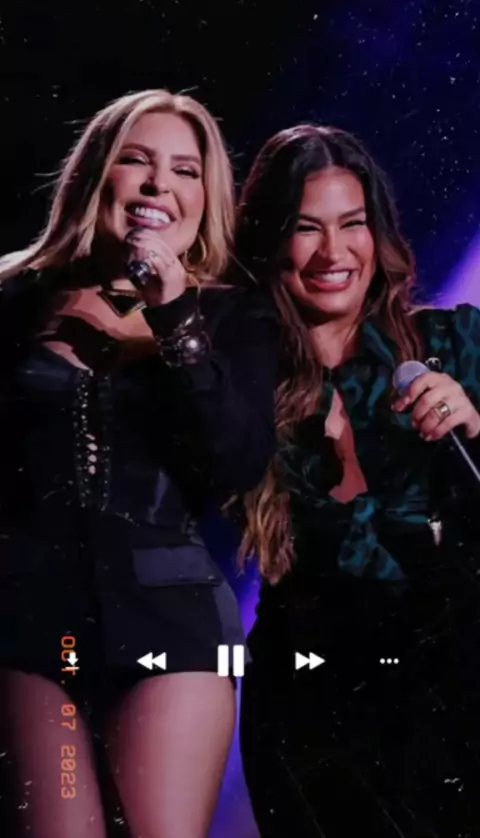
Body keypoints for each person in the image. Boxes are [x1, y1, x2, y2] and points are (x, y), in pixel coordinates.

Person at [0, 89, 277, 838]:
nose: (159, 184)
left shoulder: (231, 315)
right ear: (97, 175)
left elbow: (237, 463)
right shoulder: (15, 297)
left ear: (205, 198)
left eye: (186, 170)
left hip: (171, 620)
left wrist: (176, 315)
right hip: (29, 625)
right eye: (137, 160)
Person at [232, 124, 480, 837]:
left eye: (353, 223)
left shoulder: (452, 344)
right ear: (271, 239)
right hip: (312, 699)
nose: (334, 253)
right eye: (306, 227)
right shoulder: (240, 380)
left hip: (454, 687)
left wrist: (477, 426)